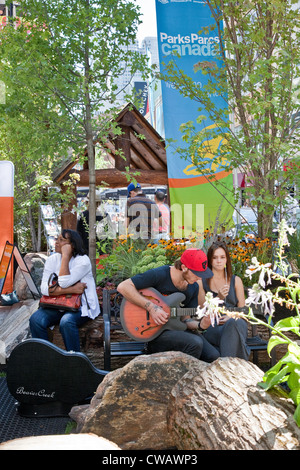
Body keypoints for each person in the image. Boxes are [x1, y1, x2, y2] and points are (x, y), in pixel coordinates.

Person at [29, 229, 100, 352]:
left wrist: (66, 257)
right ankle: (46, 359)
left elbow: (63, 282)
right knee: (35, 319)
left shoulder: (83, 261)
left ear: (72, 245)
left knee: (66, 322)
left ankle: (74, 361)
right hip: (57, 305)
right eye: (57, 239)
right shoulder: (52, 259)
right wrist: (72, 289)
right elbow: (44, 289)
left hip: (80, 307)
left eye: (62, 240)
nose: (56, 242)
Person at [198, 241, 250, 360]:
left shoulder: (236, 280)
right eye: (215, 257)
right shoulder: (201, 282)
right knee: (232, 327)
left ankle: (226, 365)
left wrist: (231, 317)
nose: (219, 261)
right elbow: (202, 311)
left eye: (222, 257)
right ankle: (235, 367)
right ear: (210, 260)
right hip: (214, 326)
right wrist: (219, 297)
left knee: (234, 323)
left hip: (235, 322)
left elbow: (243, 310)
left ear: (227, 259)